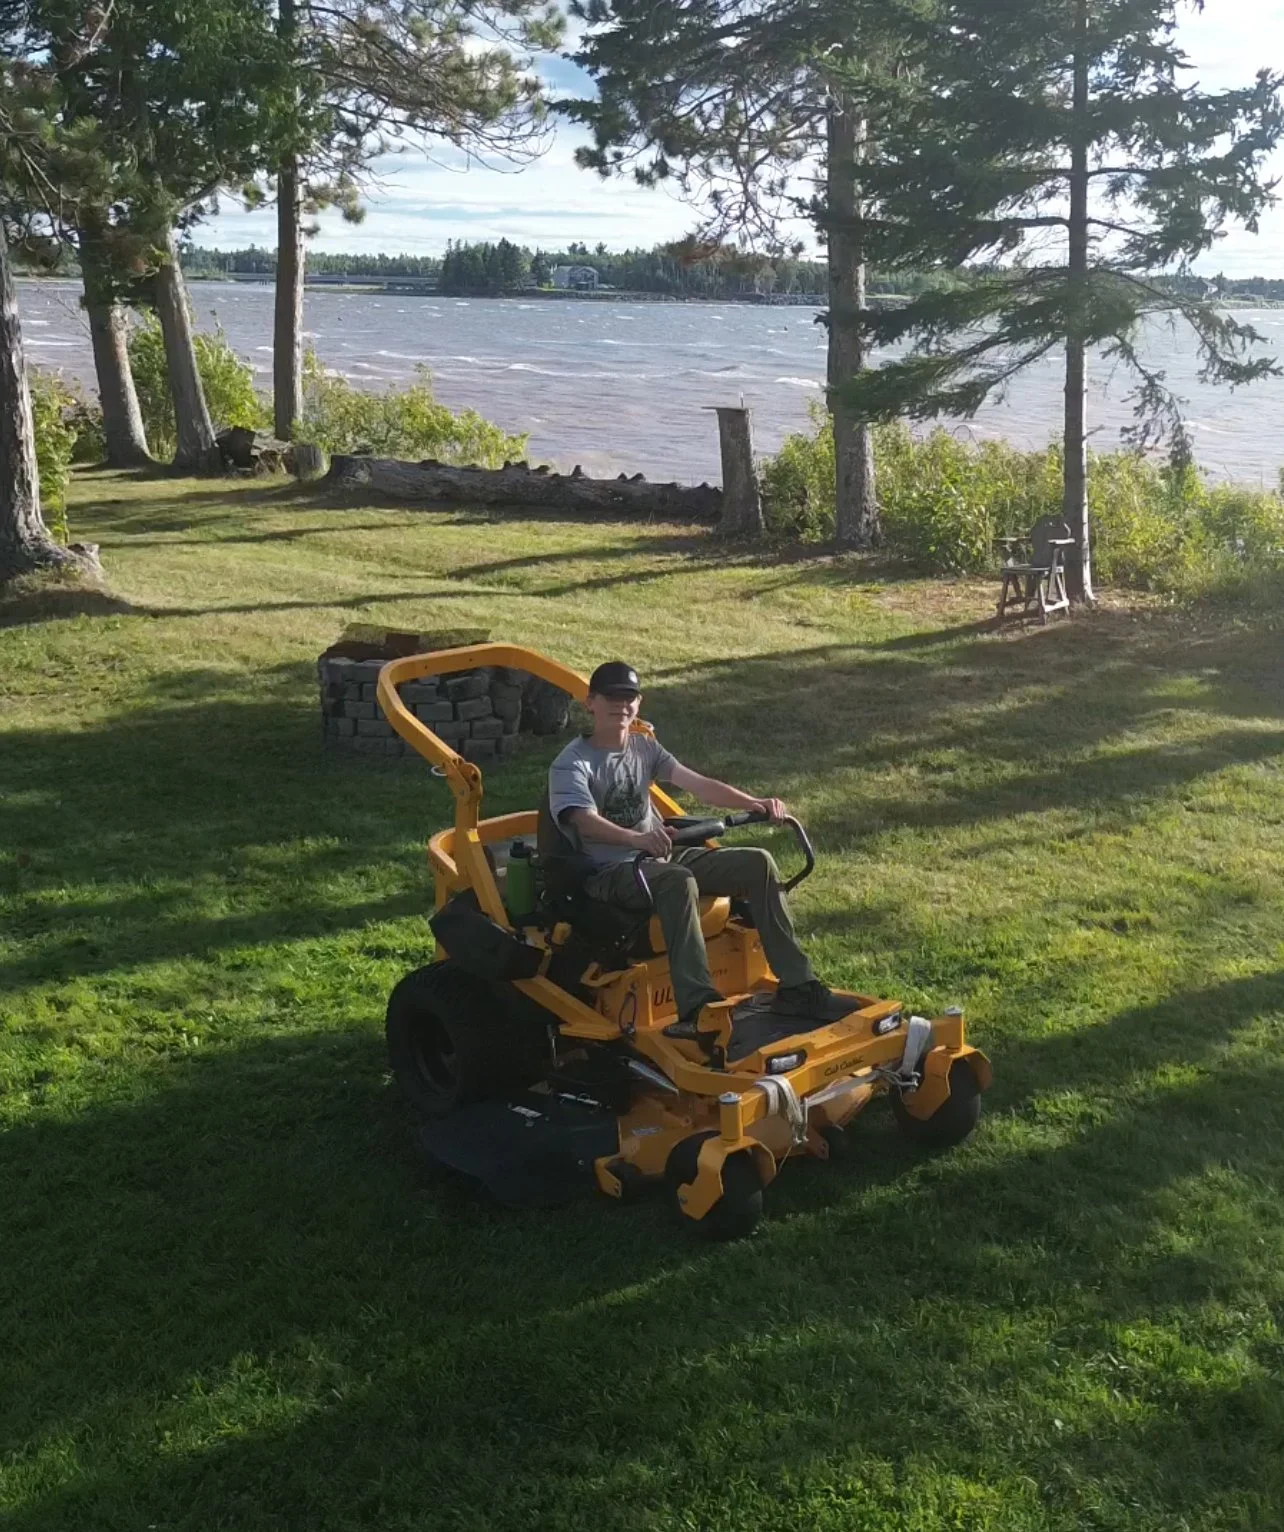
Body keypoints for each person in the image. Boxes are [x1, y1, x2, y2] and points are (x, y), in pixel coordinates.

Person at [547, 659, 846, 1041]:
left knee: (758, 863)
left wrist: (754, 803)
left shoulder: (644, 748)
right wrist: (636, 839)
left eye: (629, 698)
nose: (621, 705)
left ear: (638, 704)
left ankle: (799, 987)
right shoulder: (572, 763)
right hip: (610, 872)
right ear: (590, 703)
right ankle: (697, 1009)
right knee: (677, 880)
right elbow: (582, 819)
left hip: (656, 857)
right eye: (611, 697)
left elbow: (697, 784)